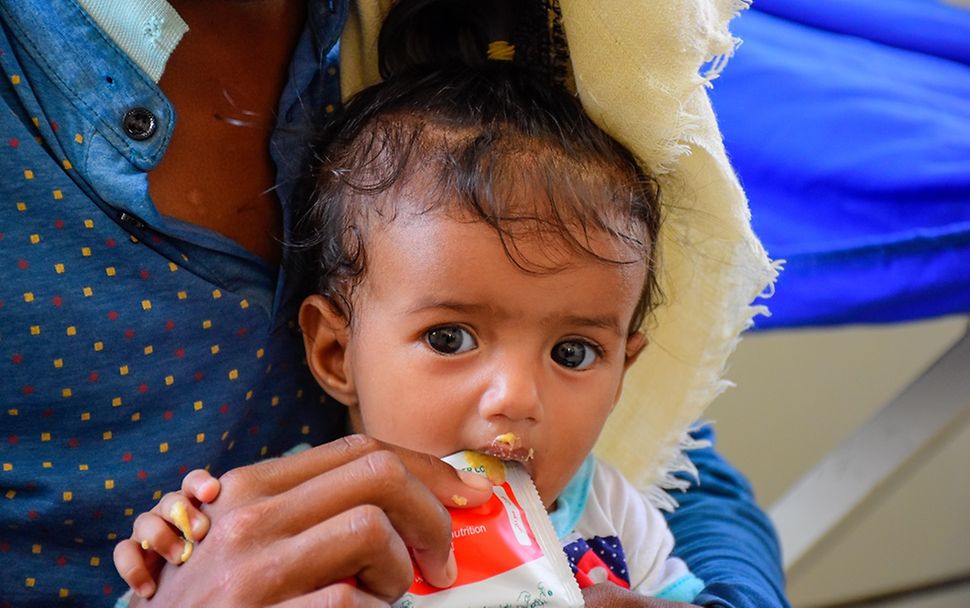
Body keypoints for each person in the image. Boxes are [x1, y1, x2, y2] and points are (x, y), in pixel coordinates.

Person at [0, 1, 788, 607]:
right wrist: (170, 561)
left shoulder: (612, 511)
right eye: (450, 337)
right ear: (335, 352)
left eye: (575, 353)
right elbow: (188, 570)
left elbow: (695, 494)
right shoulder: (287, 513)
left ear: (625, 368)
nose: (518, 397)